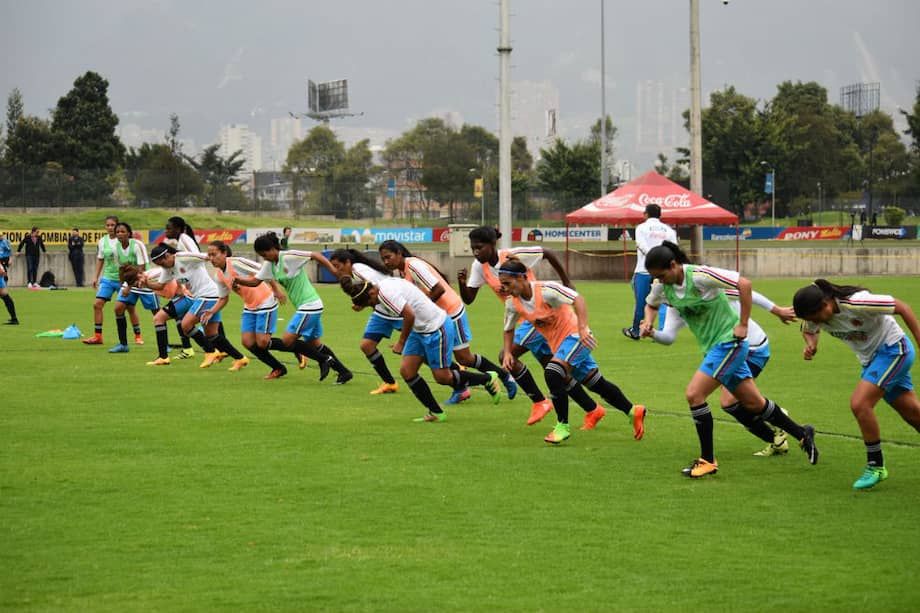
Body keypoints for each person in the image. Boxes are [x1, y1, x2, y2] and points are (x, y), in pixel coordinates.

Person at [641, 241, 819, 478]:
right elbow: (651, 305)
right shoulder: (664, 288)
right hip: (713, 348)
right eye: (657, 278)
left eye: (662, 276)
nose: (660, 281)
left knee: (694, 395)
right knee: (754, 404)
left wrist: (743, 324)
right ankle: (802, 433)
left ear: (674, 265)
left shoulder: (701, 275)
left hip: (729, 343)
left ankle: (707, 460)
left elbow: (744, 284)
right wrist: (649, 323)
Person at [498, 259, 646, 444]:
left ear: (521, 277)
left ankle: (562, 426)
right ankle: (633, 411)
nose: (504, 288)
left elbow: (578, 299)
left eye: (507, 283)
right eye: (502, 284)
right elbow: (508, 329)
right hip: (560, 345)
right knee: (595, 383)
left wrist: (583, 327)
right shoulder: (513, 303)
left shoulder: (546, 291)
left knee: (552, 372)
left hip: (577, 337)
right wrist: (509, 352)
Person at [793, 279, 920, 490]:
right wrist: (811, 345)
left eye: (816, 317)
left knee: (860, 404)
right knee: (912, 413)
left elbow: (902, 307)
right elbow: (809, 328)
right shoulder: (815, 314)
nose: (816, 322)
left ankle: (875, 466)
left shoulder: (858, 303)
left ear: (826, 304)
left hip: (894, 349)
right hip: (872, 361)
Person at [647, 287, 797, 456]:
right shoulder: (674, 308)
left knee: (726, 401)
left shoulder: (700, 285)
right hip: (727, 348)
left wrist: (777, 310)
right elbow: (668, 337)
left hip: (752, 346)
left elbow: (745, 292)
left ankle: (776, 424)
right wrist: (652, 333)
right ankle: (776, 434)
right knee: (730, 403)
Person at [342, 276, 501, 422]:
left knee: (442, 377)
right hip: (419, 331)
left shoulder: (385, 294)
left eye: (370, 303)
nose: (373, 306)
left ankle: (487, 379)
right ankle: (436, 412)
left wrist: (401, 342)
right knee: (407, 371)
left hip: (436, 328)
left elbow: (409, 315)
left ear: (371, 292)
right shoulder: (381, 287)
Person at [457, 226, 574, 425]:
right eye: (473, 248)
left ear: (493, 245)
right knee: (556, 369)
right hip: (525, 319)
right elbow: (469, 299)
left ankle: (540, 402)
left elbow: (548, 252)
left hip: (537, 315)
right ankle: (593, 408)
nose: (476, 252)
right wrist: (461, 283)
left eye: (480, 247)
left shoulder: (513, 256)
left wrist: (566, 281)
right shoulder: (479, 266)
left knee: (507, 356)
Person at [379, 240, 515, 404]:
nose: (386, 262)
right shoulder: (401, 273)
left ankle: (502, 375)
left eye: (388, 257)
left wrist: (422, 308)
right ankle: (461, 388)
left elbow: (438, 289)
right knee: (427, 357)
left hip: (451, 311)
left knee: (464, 358)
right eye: (383, 259)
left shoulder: (413, 265)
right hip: (433, 319)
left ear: (399, 253)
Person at [237, 231, 352, 384]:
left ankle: (324, 360)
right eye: (261, 255)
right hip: (305, 307)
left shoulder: (289, 257)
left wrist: (333, 272)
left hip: (310, 305)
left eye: (265, 254)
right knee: (314, 344)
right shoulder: (269, 264)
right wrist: (238, 280)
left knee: (288, 340)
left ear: (273, 249)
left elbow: (316, 255)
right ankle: (344, 372)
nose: (264, 258)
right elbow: (256, 281)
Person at [140, 244, 246, 368]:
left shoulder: (183, 257)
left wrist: (227, 266)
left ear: (168, 256)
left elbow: (207, 257)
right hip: (201, 297)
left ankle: (210, 351)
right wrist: (147, 284)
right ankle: (240, 358)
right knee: (211, 334)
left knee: (185, 325)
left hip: (208, 295)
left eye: (161, 263)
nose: (161, 266)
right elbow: (160, 286)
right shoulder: (167, 268)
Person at [208, 240, 292, 378]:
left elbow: (264, 270)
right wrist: (211, 311)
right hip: (250, 306)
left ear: (224, 253)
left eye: (214, 254)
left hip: (265, 301)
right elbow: (223, 299)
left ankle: (295, 347)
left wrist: (276, 290)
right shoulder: (218, 276)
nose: (211, 258)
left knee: (263, 342)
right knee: (247, 342)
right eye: (209, 255)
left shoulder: (236, 263)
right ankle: (278, 368)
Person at [329, 248, 402, 394]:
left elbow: (378, 290)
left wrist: (362, 304)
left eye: (338, 266)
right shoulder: (354, 273)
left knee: (422, 346)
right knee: (367, 345)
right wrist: (362, 304)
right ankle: (390, 383)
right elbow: (370, 295)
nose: (336, 270)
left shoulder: (359, 271)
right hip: (382, 312)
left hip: (396, 310)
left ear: (348, 262)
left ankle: (455, 369)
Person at [83, 216, 142, 346]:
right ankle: (98, 336)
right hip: (108, 278)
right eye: (107, 225)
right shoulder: (102, 241)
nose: (110, 228)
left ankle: (137, 335)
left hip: (124, 280)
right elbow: (100, 258)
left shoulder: (125, 241)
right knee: (97, 304)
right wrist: (96, 276)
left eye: (112, 225)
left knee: (129, 308)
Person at [623, 204, 677, 340]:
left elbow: (641, 245)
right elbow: (674, 249)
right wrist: (663, 262)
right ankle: (661, 331)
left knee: (642, 302)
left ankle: (636, 331)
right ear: (660, 215)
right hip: (664, 272)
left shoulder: (641, 228)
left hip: (643, 270)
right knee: (664, 302)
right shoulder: (669, 230)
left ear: (646, 214)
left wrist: (654, 258)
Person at [108, 222, 158, 353]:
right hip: (129, 283)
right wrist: (121, 286)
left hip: (145, 281)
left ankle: (164, 344)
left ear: (129, 233)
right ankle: (123, 344)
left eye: (122, 231)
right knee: (118, 308)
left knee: (157, 314)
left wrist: (128, 287)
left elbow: (141, 269)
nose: (119, 234)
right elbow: (121, 268)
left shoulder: (137, 245)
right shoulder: (115, 248)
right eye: (117, 231)